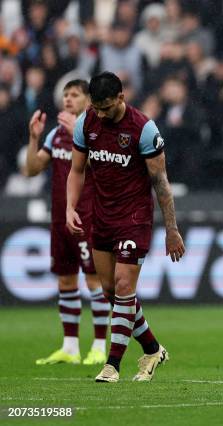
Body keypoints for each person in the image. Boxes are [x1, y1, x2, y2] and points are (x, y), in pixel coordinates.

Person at [66, 71, 185, 382]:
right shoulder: (87, 122)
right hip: (101, 216)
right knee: (112, 293)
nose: (101, 114)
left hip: (134, 218)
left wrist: (171, 229)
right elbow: (77, 170)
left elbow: (161, 182)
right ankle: (152, 349)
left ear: (121, 97)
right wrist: (69, 208)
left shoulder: (143, 129)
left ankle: (112, 365)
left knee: (122, 288)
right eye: (97, 107)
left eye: (106, 107)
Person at [24, 79, 110, 366]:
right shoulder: (56, 135)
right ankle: (70, 347)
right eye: (65, 95)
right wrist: (34, 138)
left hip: (88, 219)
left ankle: (99, 345)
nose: (68, 99)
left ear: (88, 101)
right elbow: (32, 170)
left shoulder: (95, 133)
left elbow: (103, 168)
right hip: (60, 220)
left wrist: (79, 134)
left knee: (94, 280)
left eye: (74, 95)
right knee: (66, 279)